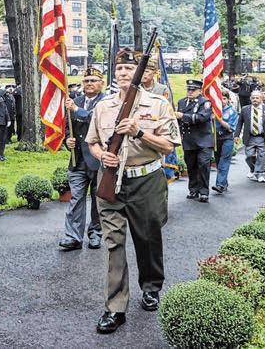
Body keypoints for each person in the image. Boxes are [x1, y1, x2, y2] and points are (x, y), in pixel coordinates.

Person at [86, 49, 181, 334]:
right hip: (111, 180)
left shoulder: (158, 104)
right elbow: (92, 141)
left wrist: (139, 131)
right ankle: (115, 307)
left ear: (139, 72)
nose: (124, 73)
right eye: (119, 69)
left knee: (147, 237)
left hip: (146, 180)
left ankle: (151, 286)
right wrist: (102, 155)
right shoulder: (103, 106)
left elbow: (169, 145)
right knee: (113, 243)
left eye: (129, 68)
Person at [58, 67, 105, 251]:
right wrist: (67, 140)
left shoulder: (106, 102)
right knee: (76, 198)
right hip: (77, 159)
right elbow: (67, 127)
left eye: (93, 80)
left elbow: (95, 119)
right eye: (86, 81)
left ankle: (95, 233)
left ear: (101, 83)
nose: (89, 84)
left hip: (98, 158)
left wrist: (77, 110)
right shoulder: (75, 101)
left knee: (97, 199)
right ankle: (73, 237)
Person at [176, 79, 214, 202]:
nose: (190, 92)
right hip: (188, 140)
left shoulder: (205, 102)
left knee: (203, 165)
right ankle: (193, 190)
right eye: (189, 89)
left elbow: (202, 117)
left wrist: (183, 116)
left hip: (203, 140)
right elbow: (178, 121)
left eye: (193, 90)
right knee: (191, 166)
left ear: (200, 91)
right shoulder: (181, 102)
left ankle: (204, 192)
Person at [235, 90, 265, 183]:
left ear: (261, 99)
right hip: (249, 137)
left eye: (257, 98)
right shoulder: (245, 109)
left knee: (262, 156)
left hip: (262, 137)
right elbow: (239, 123)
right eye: (253, 98)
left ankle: (258, 173)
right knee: (249, 156)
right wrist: (236, 135)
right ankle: (253, 169)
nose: (255, 99)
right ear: (250, 99)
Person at [211, 91, 239, 194]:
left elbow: (230, 127)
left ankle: (220, 185)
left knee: (224, 161)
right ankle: (224, 182)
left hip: (227, 138)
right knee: (218, 161)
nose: (222, 101)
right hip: (216, 138)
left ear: (228, 100)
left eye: (224, 98)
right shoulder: (213, 110)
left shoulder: (232, 111)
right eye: (220, 99)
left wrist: (219, 119)